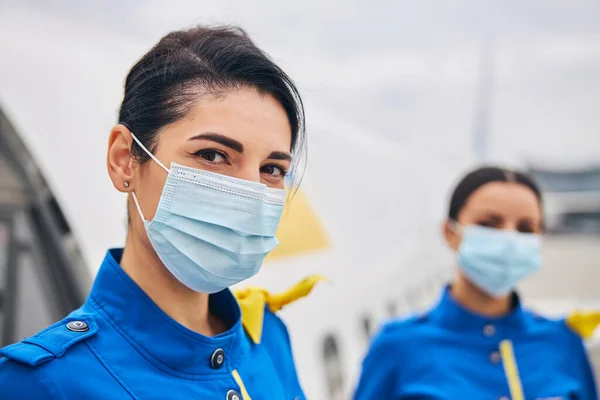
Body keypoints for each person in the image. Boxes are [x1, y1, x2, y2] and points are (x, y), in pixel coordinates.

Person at [0, 25, 320, 399]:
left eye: (272, 169)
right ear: (125, 161)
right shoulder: (40, 383)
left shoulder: (268, 339)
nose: (250, 193)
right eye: (212, 156)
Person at [354, 166, 598, 400]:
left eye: (525, 228)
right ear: (450, 233)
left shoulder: (563, 343)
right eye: (488, 224)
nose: (509, 239)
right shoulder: (397, 346)